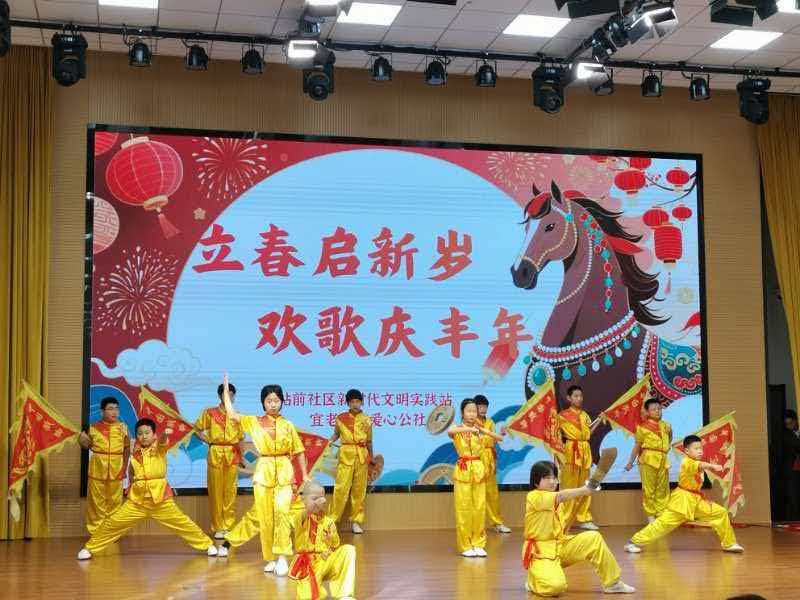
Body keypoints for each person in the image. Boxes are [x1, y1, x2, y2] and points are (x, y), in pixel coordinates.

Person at [77, 418, 217, 559]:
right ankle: (90, 548)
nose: (143, 436)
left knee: (182, 523)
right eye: (140, 433)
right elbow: (131, 472)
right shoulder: (135, 452)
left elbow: (162, 441)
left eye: (147, 433)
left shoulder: (159, 448)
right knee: (112, 523)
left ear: (154, 434)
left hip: (160, 500)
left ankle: (207, 545)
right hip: (137, 501)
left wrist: (165, 434)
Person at [219, 377, 309, 575]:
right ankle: (270, 557)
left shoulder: (288, 425)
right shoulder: (254, 422)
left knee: (282, 512)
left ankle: (283, 555)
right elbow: (231, 414)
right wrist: (226, 392)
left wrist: (305, 475)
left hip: (284, 472)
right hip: (263, 473)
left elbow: (299, 451)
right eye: (269, 401)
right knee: (264, 516)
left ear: (282, 402)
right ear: (263, 403)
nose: (273, 404)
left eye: (276, 400)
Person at [523, 460, 635, 596]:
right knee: (555, 587)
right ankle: (533, 580)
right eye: (547, 478)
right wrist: (584, 490)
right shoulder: (533, 496)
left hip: (560, 546)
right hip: (541, 552)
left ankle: (612, 583)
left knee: (593, 538)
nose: (552, 482)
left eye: (554, 478)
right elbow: (561, 495)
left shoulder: (557, 502)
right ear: (536, 482)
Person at [625, 434, 744, 554]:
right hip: (682, 502)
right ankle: (633, 542)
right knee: (662, 525)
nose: (700, 451)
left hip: (696, 501)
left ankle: (729, 544)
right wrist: (712, 466)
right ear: (687, 451)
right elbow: (701, 465)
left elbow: (700, 466)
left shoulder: (696, 461)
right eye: (696, 448)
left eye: (701, 448)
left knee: (720, 513)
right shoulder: (687, 462)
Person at [448, 397, 503, 557]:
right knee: (464, 508)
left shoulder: (480, 429)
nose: (472, 414)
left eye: (474, 411)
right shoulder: (458, 428)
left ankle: (478, 543)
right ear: (462, 413)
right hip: (464, 469)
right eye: (469, 411)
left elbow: (499, 438)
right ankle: (466, 545)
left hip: (478, 468)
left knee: (479, 507)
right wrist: (469, 430)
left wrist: (484, 431)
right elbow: (450, 431)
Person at [193, 382, 245, 539]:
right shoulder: (209, 413)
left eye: (231, 395)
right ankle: (218, 527)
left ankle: (228, 525)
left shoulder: (237, 416)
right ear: (219, 396)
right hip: (215, 453)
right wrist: (209, 441)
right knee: (216, 491)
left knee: (230, 491)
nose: (228, 397)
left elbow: (241, 438)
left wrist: (242, 457)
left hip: (232, 454)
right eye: (225, 394)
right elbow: (197, 429)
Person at [289, 480, 356, 600]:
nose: (319, 502)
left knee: (348, 550)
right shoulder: (301, 517)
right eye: (314, 498)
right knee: (308, 597)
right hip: (309, 564)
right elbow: (308, 511)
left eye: (321, 498)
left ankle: (344, 594)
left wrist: (331, 538)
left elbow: (335, 545)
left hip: (326, 559)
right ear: (304, 500)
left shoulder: (328, 521)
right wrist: (312, 504)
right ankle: (319, 591)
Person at [78, 397, 130, 535]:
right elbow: (87, 445)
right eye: (110, 409)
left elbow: (126, 449)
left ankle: (111, 532)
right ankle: (96, 532)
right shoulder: (93, 428)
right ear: (102, 411)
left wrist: (124, 468)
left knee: (115, 502)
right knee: (96, 502)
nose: (115, 412)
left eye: (117, 408)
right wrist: (82, 440)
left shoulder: (123, 428)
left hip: (116, 469)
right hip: (97, 469)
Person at [328, 388, 374, 534]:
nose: (355, 404)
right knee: (341, 488)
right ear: (348, 403)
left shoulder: (367, 420)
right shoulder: (340, 418)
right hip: (345, 455)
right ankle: (332, 521)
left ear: (361, 402)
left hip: (362, 456)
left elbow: (369, 441)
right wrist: (329, 441)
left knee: (359, 490)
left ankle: (356, 521)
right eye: (352, 401)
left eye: (358, 401)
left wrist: (371, 457)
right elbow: (336, 434)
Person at [558, 385, 602, 530]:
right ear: (569, 398)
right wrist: (557, 455)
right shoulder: (562, 416)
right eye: (576, 396)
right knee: (569, 485)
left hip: (585, 450)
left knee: (586, 485)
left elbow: (588, 432)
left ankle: (584, 518)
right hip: (570, 450)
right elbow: (555, 436)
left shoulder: (584, 415)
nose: (579, 399)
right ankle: (564, 518)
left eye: (580, 396)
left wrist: (599, 420)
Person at [624, 398, 672, 523]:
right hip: (648, 459)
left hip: (663, 459)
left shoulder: (666, 425)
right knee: (649, 488)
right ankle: (651, 515)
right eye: (654, 409)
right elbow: (637, 446)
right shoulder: (642, 428)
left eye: (659, 408)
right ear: (647, 412)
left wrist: (666, 447)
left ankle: (661, 513)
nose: (657, 411)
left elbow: (670, 437)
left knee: (663, 488)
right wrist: (630, 462)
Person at [474, 394, 511, 533]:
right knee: (477, 494)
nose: (483, 409)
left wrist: (501, 433)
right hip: (477, 459)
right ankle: (477, 525)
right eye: (480, 406)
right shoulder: (471, 422)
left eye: (485, 407)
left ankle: (497, 523)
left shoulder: (490, 422)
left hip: (489, 460)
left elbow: (493, 440)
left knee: (492, 494)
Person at [776, 409, 800, 521]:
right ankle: (795, 521)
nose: (789, 426)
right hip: (792, 471)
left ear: (796, 421)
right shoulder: (785, 435)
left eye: (791, 423)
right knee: (793, 497)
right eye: (787, 424)